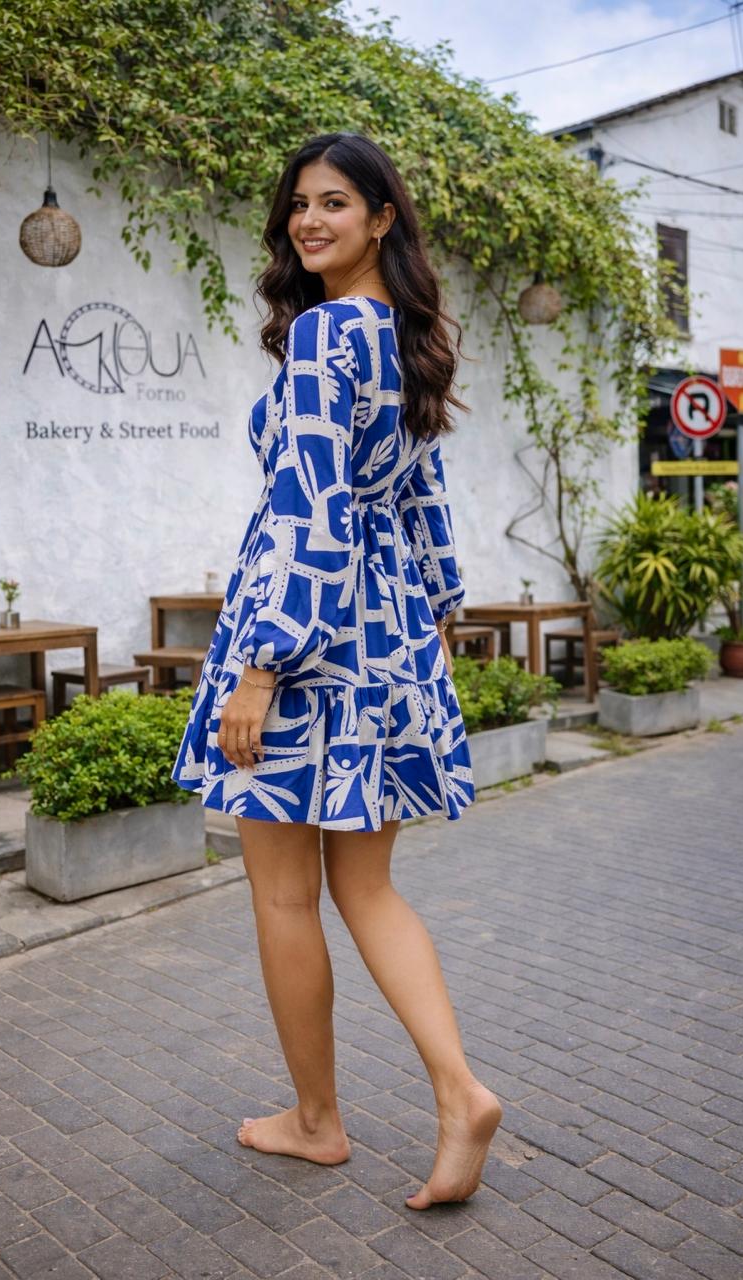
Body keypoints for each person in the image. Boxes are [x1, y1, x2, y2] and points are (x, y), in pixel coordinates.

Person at [172, 132, 502, 1209]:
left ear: (380, 218)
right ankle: (458, 1091)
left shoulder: (323, 337)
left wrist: (261, 666)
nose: (308, 221)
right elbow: (423, 499)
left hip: (306, 633)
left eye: (334, 203)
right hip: (385, 630)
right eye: (299, 204)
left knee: (283, 893)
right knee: (368, 886)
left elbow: (308, 511)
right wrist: (434, 618)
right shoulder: (405, 338)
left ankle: (317, 1121)